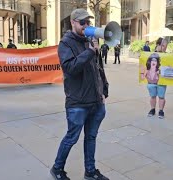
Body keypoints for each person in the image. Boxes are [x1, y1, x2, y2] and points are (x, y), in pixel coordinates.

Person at [50, 8, 109, 180]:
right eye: (82, 22)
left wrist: (104, 89)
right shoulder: (65, 43)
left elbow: (98, 68)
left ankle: (90, 172)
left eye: (88, 22)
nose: (86, 25)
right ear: (73, 23)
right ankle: (57, 169)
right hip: (78, 102)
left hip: (96, 101)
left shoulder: (90, 40)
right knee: (71, 138)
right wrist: (90, 51)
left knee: (91, 137)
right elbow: (70, 68)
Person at [141, 53, 166, 118]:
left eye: (155, 60)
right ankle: (152, 109)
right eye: (152, 60)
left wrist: (160, 73)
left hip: (161, 84)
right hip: (151, 84)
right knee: (153, 96)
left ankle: (161, 111)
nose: (153, 62)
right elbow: (142, 78)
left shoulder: (160, 68)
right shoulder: (147, 69)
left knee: (161, 97)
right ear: (149, 61)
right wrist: (142, 72)